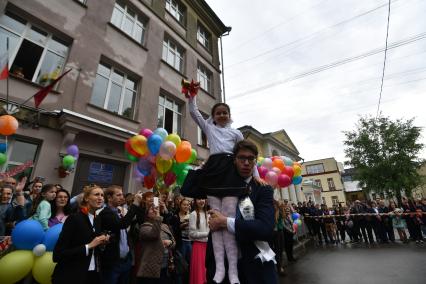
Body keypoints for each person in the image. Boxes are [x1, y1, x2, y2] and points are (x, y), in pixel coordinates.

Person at [182, 97, 250, 284]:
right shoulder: (209, 128)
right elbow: (194, 113)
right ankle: (220, 268)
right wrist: (192, 97)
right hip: (213, 171)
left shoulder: (236, 133)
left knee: (227, 222)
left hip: (230, 171)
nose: (221, 115)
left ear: (229, 116)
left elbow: (246, 155)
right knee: (216, 223)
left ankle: (233, 271)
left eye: (224, 113)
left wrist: (257, 175)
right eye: (218, 113)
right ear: (213, 116)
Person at [208, 140, 277, 284]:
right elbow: (189, 188)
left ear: (255, 161)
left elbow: (265, 228)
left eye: (251, 158)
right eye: (241, 158)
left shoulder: (262, 189)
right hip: (223, 269)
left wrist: (225, 222)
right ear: (234, 160)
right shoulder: (221, 187)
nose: (246, 162)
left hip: (255, 267)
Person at [52, 185, 110, 284]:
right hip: (72, 275)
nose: (100, 197)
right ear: (87, 198)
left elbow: (94, 247)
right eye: (96, 194)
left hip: (93, 273)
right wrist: (88, 246)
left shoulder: (97, 219)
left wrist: (102, 244)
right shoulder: (74, 218)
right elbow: (58, 255)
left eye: (102, 195)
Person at [98, 185, 143, 284]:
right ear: (109, 198)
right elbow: (122, 224)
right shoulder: (105, 213)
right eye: (118, 195)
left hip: (125, 260)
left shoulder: (117, 211)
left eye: (122, 195)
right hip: (113, 262)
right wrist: (135, 203)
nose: (122, 197)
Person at [136, 205, 176, 284]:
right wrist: (158, 217)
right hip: (151, 268)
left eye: (156, 209)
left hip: (165, 265)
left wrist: (170, 242)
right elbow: (154, 234)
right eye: (151, 209)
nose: (154, 210)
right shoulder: (144, 227)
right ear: (147, 214)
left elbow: (174, 241)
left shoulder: (164, 226)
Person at [189, 198, 209, 284]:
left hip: (208, 246)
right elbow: (192, 234)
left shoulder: (208, 214)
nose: (201, 201)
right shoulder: (193, 214)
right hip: (198, 247)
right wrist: (207, 234)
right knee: (199, 275)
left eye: (203, 199)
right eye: (199, 199)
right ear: (195, 201)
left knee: (207, 273)